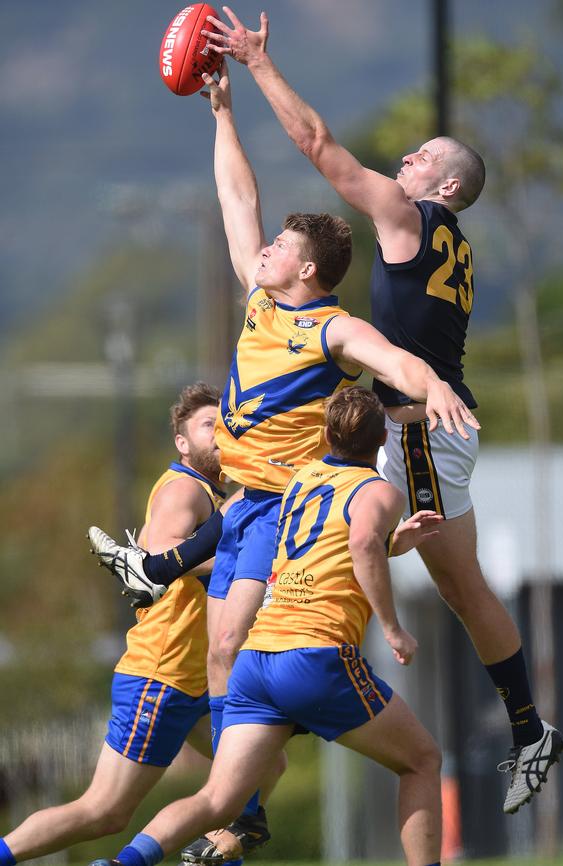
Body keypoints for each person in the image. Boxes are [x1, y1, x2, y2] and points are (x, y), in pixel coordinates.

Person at [88, 57, 479, 861]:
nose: (260, 252)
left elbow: (393, 358)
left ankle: (242, 807)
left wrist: (431, 383)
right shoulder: (264, 298)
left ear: (307, 269)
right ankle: (243, 802)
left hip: (279, 506)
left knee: (230, 647)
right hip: (239, 507)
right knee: (221, 652)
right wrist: (223, 114)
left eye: (277, 249)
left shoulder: (330, 328)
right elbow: (239, 200)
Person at [197, 7, 563, 814]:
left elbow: (317, 144)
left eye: (422, 156)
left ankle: (284, 705)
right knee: (460, 586)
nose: (406, 157)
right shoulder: (450, 242)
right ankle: (530, 728)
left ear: (444, 189)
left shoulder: (409, 217)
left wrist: (257, 65)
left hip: (423, 426)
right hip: (430, 423)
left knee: (354, 540)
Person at [87, 385, 447, 866]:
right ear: (382, 438)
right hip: (316, 656)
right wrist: (392, 627)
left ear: (325, 436)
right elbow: (360, 542)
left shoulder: (300, 481)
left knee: (220, 800)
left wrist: (392, 542)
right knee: (422, 761)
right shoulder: (379, 491)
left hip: (257, 662)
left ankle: (124, 863)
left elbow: (335, 547)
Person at [0, 383, 283, 866]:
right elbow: (155, 558)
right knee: (103, 811)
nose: (218, 437)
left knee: (261, 766)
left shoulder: (218, 494)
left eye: (225, 426)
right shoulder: (185, 489)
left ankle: (205, 850)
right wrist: (248, 570)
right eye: (206, 427)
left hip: (196, 678)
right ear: (182, 441)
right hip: (163, 672)